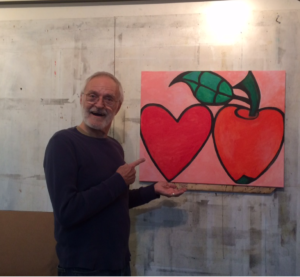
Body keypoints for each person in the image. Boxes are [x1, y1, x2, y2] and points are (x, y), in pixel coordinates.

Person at [43, 71, 186, 276]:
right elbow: (67, 212)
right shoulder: (63, 143)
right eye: (92, 96)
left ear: (118, 106)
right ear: (81, 99)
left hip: (118, 264)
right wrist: (118, 180)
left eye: (108, 98)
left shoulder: (114, 146)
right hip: (83, 268)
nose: (99, 104)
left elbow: (116, 200)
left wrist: (153, 190)